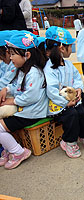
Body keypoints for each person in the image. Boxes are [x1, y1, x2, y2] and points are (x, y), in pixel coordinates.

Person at [44, 26, 84, 158]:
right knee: (71, 115)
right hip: (58, 105)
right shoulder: (49, 68)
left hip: (72, 100)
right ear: (61, 48)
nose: (72, 48)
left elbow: (77, 78)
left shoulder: (68, 65)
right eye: (70, 46)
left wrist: (78, 89)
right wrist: (64, 104)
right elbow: (51, 91)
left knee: (82, 112)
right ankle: (69, 141)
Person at [0, 31, 47, 169]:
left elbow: (30, 97)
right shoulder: (22, 70)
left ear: (27, 55)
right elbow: (15, 87)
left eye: (13, 54)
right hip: (25, 110)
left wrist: (11, 101)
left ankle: (18, 152)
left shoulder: (34, 73)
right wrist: (6, 90)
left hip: (31, 113)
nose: (11, 57)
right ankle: (10, 149)